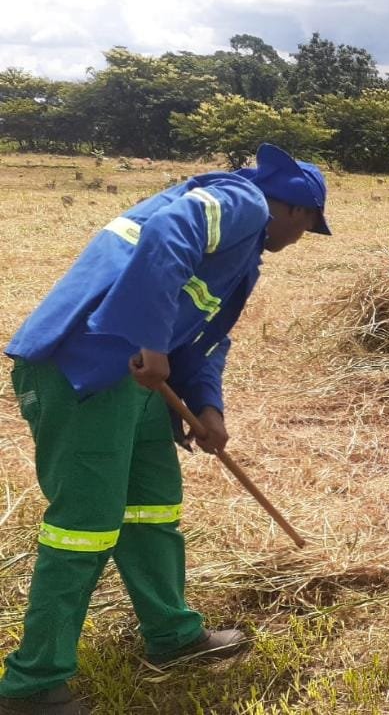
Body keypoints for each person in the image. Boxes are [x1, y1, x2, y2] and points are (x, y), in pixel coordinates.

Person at [0, 143, 330, 715]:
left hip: (138, 384)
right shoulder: (243, 201)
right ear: (297, 210)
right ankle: (32, 684)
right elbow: (169, 233)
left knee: (152, 508)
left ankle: (172, 634)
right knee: (84, 526)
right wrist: (151, 340)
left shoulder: (243, 254)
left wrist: (208, 408)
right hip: (89, 369)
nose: (299, 240)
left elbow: (207, 335)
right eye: (307, 227)